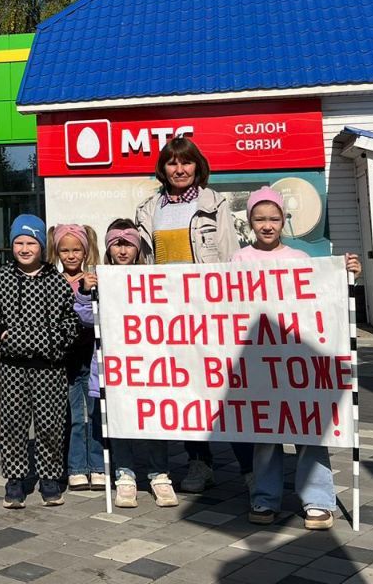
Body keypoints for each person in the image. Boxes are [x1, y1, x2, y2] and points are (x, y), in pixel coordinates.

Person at [234, 187, 361, 531]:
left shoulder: (300, 260)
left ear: (283, 221)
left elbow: (321, 298)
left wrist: (345, 274)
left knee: (309, 429)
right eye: (259, 219)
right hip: (259, 361)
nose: (267, 225)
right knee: (265, 435)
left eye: (274, 218)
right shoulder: (240, 260)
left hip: (296, 361)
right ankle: (264, 497)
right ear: (250, 222)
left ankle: (318, 500)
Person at [134, 138, 240, 493]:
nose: (180, 170)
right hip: (169, 316)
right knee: (187, 392)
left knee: (227, 389)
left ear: (198, 166)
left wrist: (230, 306)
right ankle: (200, 461)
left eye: (187, 163)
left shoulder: (215, 204)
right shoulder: (148, 209)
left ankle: (250, 467)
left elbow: (230, 257)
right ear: (162, 169)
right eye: (172, 163)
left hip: (208, 311)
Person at [0, 215, 80, 509]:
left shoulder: (56, 281)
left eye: (30, 242)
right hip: (13, 366)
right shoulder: (1, 279)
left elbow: (70, 320)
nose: (24, 248)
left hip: (50, 367)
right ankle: (15, 480)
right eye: (19, 242)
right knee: (13, 424)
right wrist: (0, 332)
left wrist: (59, 341)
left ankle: (49, 477)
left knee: (50, 424)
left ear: (41, 246)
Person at [75, 221, 178, 508]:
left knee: (154, 421)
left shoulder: (151, 277)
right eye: (117, 244)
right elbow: (85, 319)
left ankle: (159, 474)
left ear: (138, 248)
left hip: (148, 367)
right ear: (108, 247)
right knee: (118, 422)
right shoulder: (99, 278)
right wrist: (85, 292)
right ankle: (125, 474)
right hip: (114, 366)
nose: (122, 250)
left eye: (128, 244)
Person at [49, 223, 105, 492]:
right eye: (64, 250)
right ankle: (76, 467)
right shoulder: (53, 282)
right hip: (66, 358)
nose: (71, 255)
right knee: (74, 414)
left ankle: (98, 465)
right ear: (57, 252)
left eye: (76, 250)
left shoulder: (94, 278)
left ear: (85, 250)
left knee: (94, 412)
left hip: (91, 355)